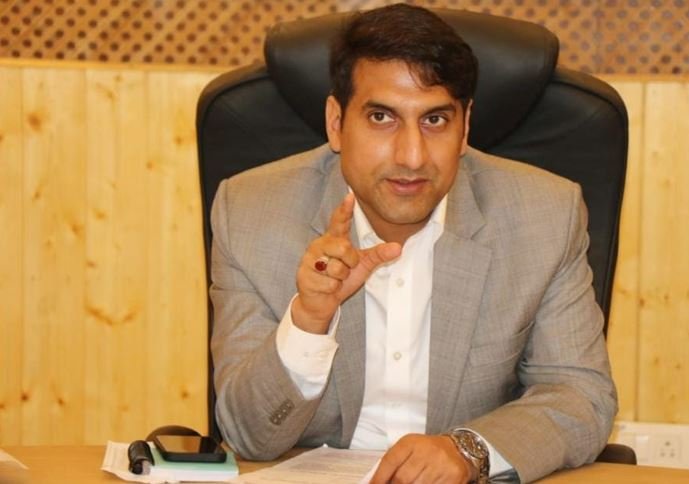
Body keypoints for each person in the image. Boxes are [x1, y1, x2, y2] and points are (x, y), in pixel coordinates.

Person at [209, 4, 617, 482]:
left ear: (465, 127)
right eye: (382, 117)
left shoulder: (544, 216)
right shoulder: (251, 214)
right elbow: (249, 436)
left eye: (435, 120)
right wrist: (307, 321)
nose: (411, 156)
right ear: (336, 122)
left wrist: (468, 450)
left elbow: (581, 397)